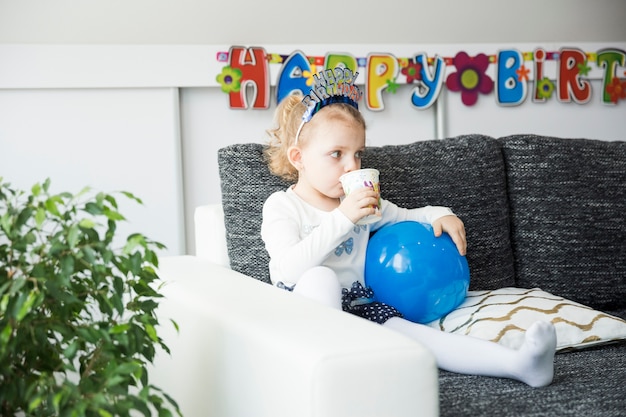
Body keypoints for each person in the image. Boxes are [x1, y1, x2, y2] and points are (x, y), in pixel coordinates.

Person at [260, 69, 556, 387]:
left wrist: (441, 215)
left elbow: (407, 216)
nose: (352, 166)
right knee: (321, 278)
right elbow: (288, 271)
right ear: (298, 157)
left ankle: (519, 364)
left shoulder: (361, 204)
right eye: (337, 154)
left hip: (358, 311)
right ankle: (337, 377)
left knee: (418, 337)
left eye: (358, 154)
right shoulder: (283, 206)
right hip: (304, 323)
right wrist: (343, 218)